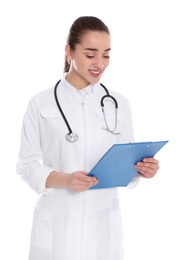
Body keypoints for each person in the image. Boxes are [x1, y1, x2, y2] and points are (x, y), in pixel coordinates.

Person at [16, 16, 159, 260]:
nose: (100, 64)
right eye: (90, 54)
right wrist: (66, 180)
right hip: (56, 228)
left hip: (102, 228)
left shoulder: (119, 105)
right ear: (69, 51)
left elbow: (126, 161)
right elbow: (26, 165)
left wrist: (142, 169)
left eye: (106, 55)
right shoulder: (41, 103)